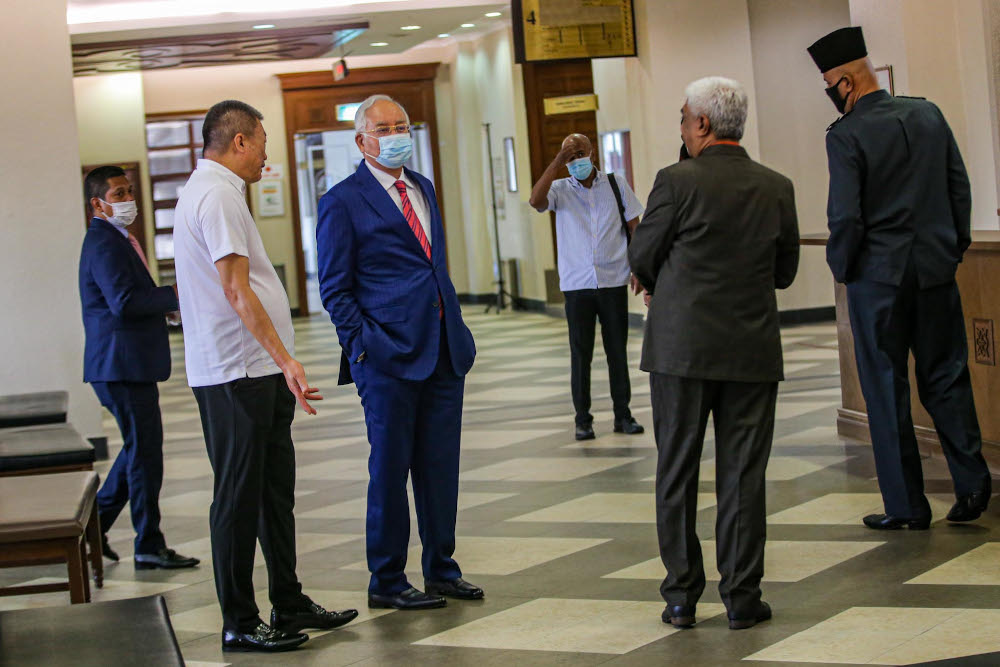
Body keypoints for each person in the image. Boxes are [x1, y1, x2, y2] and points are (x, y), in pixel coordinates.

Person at [173, 100, 357, 653]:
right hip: (237, 374)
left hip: (253, 371)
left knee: (274, 493)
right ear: (239, 143)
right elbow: (235, 289)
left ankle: (289, 599)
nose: (266, 153)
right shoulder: (216, 194)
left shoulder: (218, 191)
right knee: (237, 498)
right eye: (262, 140)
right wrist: (286, 359)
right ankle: (239, 619)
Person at [629, 77, 800, 631]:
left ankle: (681, 597)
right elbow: (785, 273)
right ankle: (743, 598)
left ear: (701, 124)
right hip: (751, 350)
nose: (681, 127)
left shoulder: (675, 181)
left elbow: (641, 253)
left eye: (683, 118)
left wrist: (663, 279)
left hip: (681, 351)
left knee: (676, 471)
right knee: (744, 474)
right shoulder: (777, 186)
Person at [808, 27, 991, 530]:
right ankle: (973, 484)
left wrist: (842, 270)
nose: (828, 92)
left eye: (827, 82)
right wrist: (950, 250)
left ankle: (907, 506)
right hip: (933, 271)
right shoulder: (928, 113)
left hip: (877, 281)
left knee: (886, 390)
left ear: (845, 81)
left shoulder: (845, 136)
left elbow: (846, 218)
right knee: (947, 376)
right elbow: (959, 186)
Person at [316, 94, 482, 611]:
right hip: (385, 357)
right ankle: (386, 578)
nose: (394, 135)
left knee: (440, 468)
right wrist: (363, 346)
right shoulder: (342, 201)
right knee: (389, 469)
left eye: (401, 125)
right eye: (382, 127)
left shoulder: (423, 187)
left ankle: (442, 569)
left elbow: (432, 267)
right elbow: (335, 288)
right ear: (362, 139)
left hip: (442, 352)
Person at [79, 165, 198, 571]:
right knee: (144, 454)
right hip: (119, 365)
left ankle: (93, 528)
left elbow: (129, 299)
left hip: (126, 363)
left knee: (140, 450)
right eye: (118, 194)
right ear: (97, 203)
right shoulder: (104, 243)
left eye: (129, 191)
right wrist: (174, 295)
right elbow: (125, 303)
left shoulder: (117, 239)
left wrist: (162, 308)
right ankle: (146, 543)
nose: (127, 199)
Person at [529, 133, 645, 441]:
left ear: (591, 151)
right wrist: (556, 161)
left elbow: (635, 227)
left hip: (612, 281)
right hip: (577, 285)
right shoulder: (559, 189)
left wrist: (640, 268)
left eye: (579, 152)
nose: (575, 160)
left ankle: (623, 414)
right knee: (581, 354)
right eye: (569, 156)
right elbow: (534, 201)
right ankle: (583, 419)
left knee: (617, 352)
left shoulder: (616, 184)